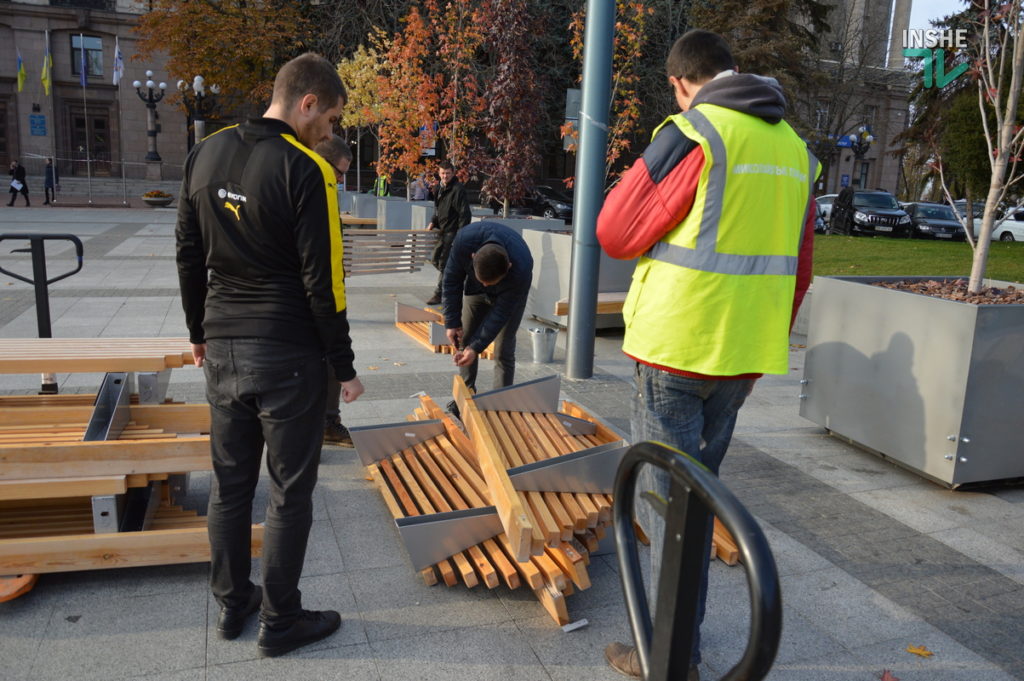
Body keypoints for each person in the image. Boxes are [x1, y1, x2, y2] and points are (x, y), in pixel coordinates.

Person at [596, 30, 816, 681]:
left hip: (676, 351)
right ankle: (678, 645)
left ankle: (669, 659)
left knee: (668, 513)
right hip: (741, 360)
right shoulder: (795, 149)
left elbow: (615, 229)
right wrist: (759, 340)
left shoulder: (695, 134)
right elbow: (800, 271)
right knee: (697, 505)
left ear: (680, 81)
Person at [176, 52, 364, 658]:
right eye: (330, 118)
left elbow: (186, 251)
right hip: (287, 355)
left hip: (224, 346)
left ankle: (234, 604)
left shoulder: (205, 152)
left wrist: (198, 331)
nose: (330, 133)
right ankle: (280, 620)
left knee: (230, 487)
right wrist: (345, 365)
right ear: (306, 102)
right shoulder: (307, 170)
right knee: (289, 492)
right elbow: (324, 282)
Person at [442, 221, 533, 397]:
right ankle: (466, 396)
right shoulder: (463, 242)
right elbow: (451, 281)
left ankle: (500, 400)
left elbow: (501, 313)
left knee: (503, 348)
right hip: (474, 292)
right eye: (482, 280)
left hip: (510, 295)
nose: (484, 285)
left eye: (488, 283)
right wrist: (451, 322)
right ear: (473, 256)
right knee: (466, 338)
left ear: (508, 267)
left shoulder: (521, 267)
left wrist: (476, 348)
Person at [312, 134, 355, 448]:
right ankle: (319, 427)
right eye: (339, 172)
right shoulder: (310, 187)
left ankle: (326, 424)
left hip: (325, 290)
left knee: (326, 360)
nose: (341, 180)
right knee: (322, 359)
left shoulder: (325, 189)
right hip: (312, 299)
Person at [426, 160, 471, 305]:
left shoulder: (458, 190)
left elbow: (465, 214)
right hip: (442, 229)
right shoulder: (438, 187)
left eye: (448, 173)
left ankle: (439, 294)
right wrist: (433, 221)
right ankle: (454, 276)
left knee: (445, 263)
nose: (445, 176)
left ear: (453, 173)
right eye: (443, 173)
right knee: (435, 259)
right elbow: (437, 208)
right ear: (439, 174)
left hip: (453, 231)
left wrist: (461, 235)